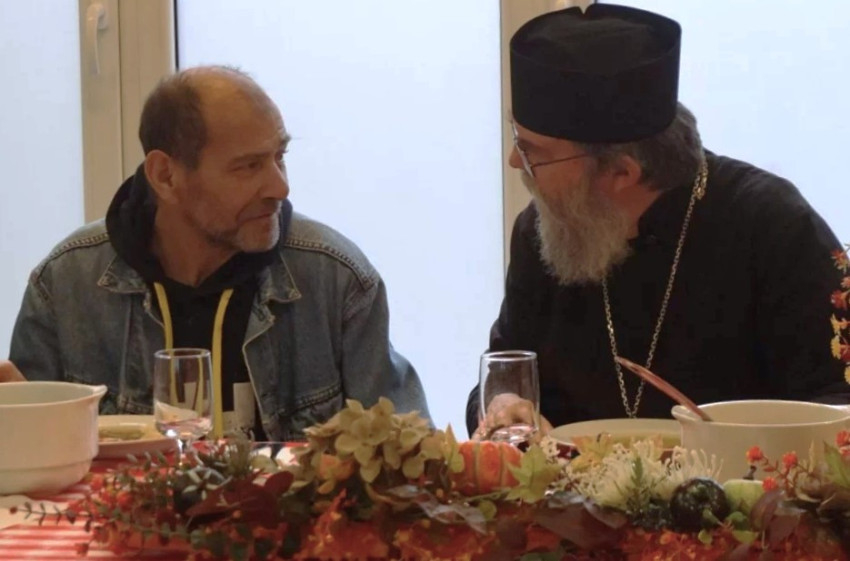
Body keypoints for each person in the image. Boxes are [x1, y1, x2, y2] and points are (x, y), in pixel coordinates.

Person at [466, 4, 848, 437]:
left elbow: (838, 402)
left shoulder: (774, 227)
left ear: (622, 173)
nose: (514, 160)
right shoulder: (542, 232)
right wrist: (504, 403)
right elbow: (506, 375)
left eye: (533, 151)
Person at [0, 65, 430, 441]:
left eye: (280, 157)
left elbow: (410, 462)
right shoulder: (66, 283)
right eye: (248, 167)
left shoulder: (336, 278)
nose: (280, 187)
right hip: (120, 514)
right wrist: (20, 428)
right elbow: (30, 470)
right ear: (165, 175)